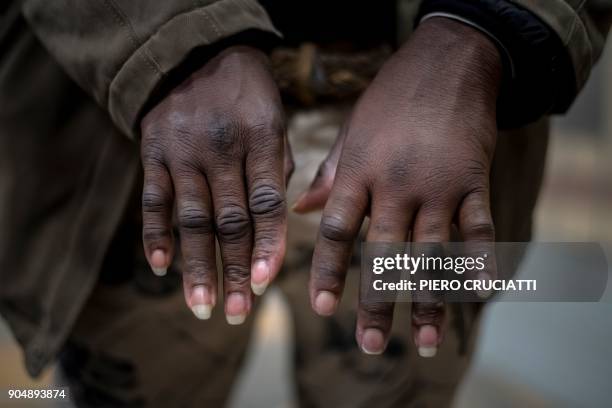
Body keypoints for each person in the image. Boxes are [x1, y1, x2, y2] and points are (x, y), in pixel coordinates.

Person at [0, 0, 610, 406]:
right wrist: (172, 44)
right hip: (137, 142)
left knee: (394, 382)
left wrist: (479, 32)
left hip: (431, 151)